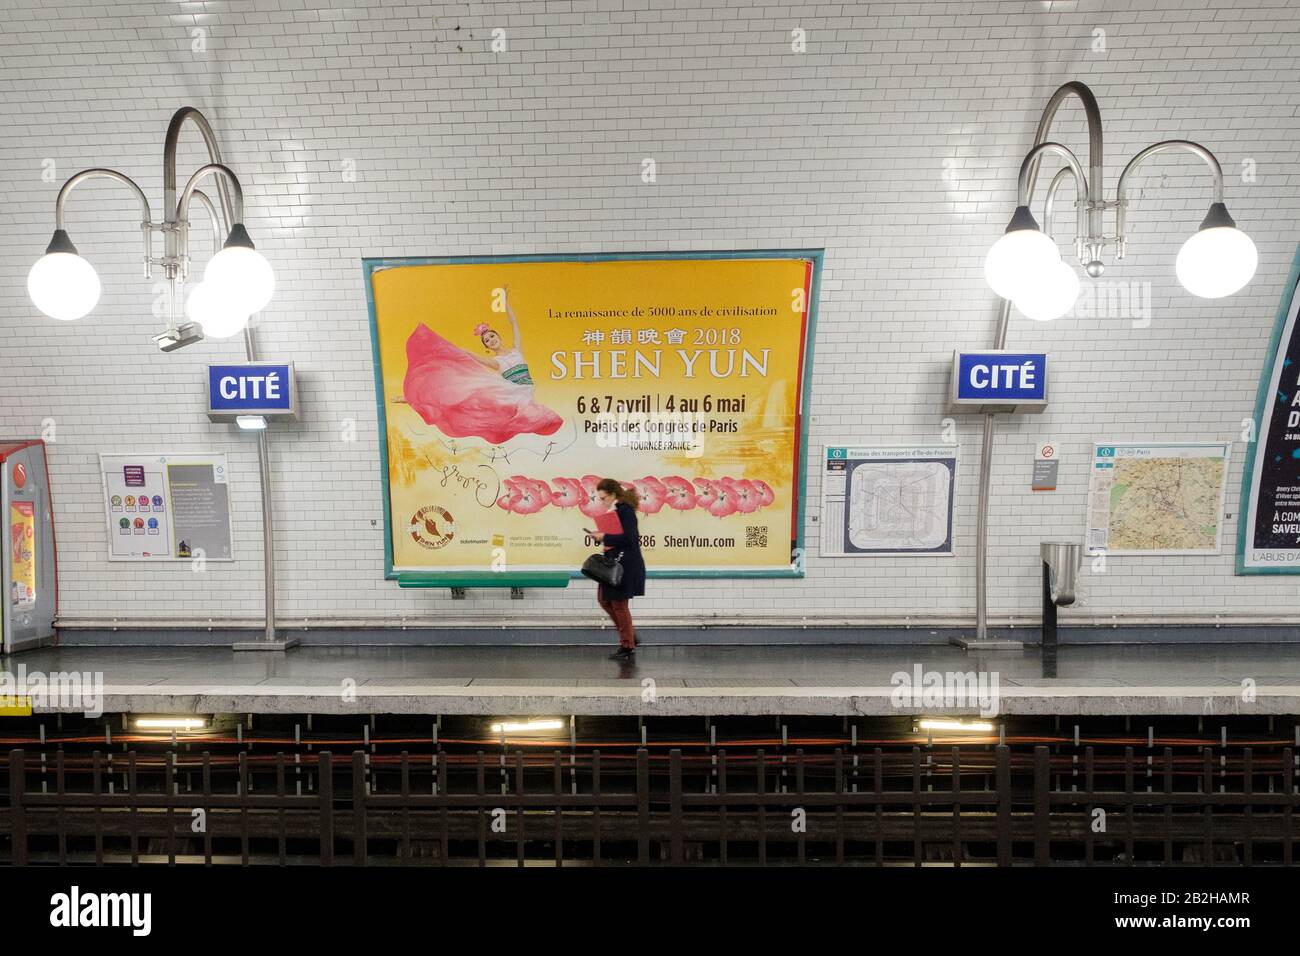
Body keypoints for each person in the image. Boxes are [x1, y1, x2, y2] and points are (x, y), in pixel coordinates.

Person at [586, 478, 646, 661]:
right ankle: (629, 634)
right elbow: (618, 536)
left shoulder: (624, 510)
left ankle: (627, 646)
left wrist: (605, 536)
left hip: (625, 565)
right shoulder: (615, 511)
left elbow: (631, 538)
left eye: (603, 498)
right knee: (605, 600)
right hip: (615, 562)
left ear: (613, 495)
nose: (601, 502)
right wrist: (602, 538)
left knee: (619, 605)